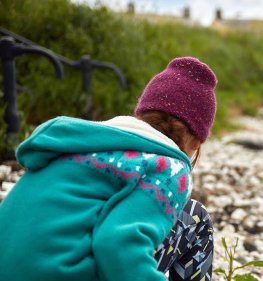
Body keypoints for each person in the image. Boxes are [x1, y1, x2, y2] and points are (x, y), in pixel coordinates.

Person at [0, 57, 217, 281]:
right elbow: (116, 243)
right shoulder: (170, 169)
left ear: (140, 116)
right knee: (195, 217)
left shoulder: (78, 144)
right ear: (196, 143)